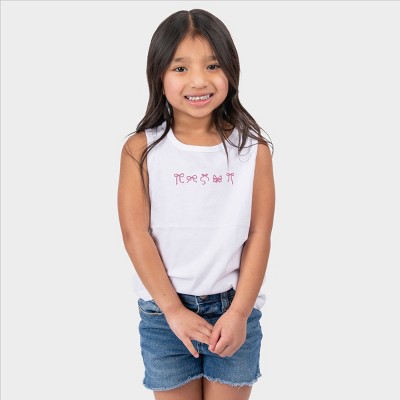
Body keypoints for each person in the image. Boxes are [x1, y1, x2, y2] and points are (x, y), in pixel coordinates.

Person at [117, 9, 275, 400]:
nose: (199, 80)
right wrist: (173, 310)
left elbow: (259, 234)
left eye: (212, 65)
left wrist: (239, 313)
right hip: (163, 314)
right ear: (159, 75)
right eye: (181, 68)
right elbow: (135, 234)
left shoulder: (253, 150)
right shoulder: (140, 150)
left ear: (231, 71)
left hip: (233, 309)